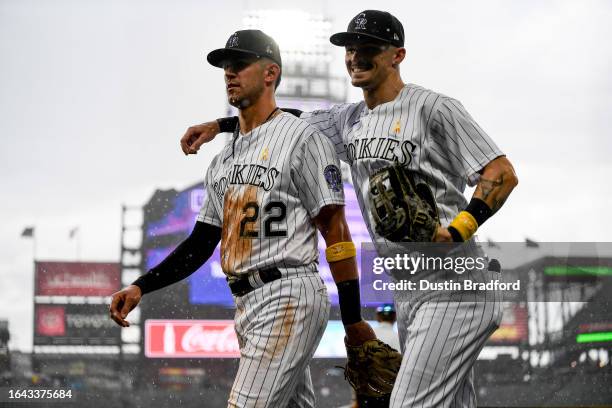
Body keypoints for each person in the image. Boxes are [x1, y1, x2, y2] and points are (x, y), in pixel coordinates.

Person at [179, 10, 518, 407]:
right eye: (350, 48)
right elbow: (281, 121)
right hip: (410, 290)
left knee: (409, 403)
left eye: (368, 48)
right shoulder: (348, 121)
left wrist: (457, 229)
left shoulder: (434, 108)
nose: (355, 56)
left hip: (455, 285)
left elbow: (501, 172)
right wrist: (220, 126)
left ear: (398, 55)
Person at [109, 29, 377, 408]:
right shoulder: (222, 161)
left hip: (289, 294)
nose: (228, 72)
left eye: (239, 64)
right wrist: (141, 286)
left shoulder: (303, 139)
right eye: (225, 66)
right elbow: (201, 243)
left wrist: (352, 321)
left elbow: (336, 230)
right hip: (247, 305)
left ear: (270, 73)